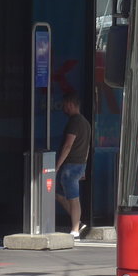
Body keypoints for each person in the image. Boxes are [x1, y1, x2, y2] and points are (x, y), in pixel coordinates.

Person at [56, 93, 92, 237]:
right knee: (59, 195)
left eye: (65, 105)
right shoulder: (86, 123)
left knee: (73, 198)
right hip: (79, 165)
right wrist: (84, 166)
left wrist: (57, 165)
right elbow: (88, 147)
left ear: (70, 104)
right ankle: (78, 222)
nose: (63, 108)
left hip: (70, 165)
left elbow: (68, 146)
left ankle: (75, 229)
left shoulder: (74, 122)